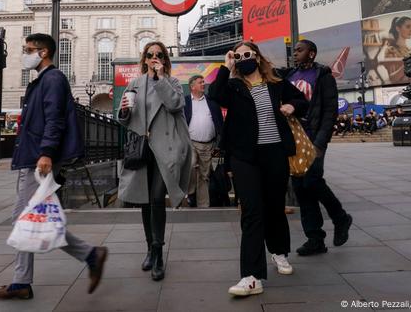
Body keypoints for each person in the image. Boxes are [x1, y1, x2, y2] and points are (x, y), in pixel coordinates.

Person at [0, 33, 107, 299]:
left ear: (43, 53)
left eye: (29, 49)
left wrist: (46, 153)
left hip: (38, 159)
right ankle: (88, 255)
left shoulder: (52, 79)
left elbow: (54, 119)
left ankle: (22, 282)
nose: (25, 54)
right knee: (33, 219)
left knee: (24, 219)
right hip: (32, 156)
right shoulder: (43, 81)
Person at [209, 41, 308, 297]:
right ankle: (251, 276)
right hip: (244, 157)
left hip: (274, 153)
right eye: (238, 55)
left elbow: (301, 99)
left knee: (274, 208)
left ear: (257, 56)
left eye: (247, 54)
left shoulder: (276, 83)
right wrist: (225, 65)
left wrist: (292, 106)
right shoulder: (233, 86)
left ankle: (278, 252)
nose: (243, 58)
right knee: (252, 211)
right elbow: (214, 95)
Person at [118, 41, 192, 281]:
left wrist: (160, 79)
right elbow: (125, 119)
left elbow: (175, 105)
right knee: (144, 200)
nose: (154, 58)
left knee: (158, 197)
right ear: (144, 59)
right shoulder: (135, 84)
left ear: (165, 60)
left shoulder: (171, 83)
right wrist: (123, 112)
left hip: (165, 148)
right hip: (141, 148)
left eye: (159, 55)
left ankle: (159, 253)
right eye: (150, 55)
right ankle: (150, 248)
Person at [284, 40, 352, 257]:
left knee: (312, 181)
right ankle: (315, 238)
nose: (295, 53)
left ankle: (340, 217)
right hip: (294, 139)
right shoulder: (289, 75)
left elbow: (330, 112)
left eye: (300, 50)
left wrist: (320, 143)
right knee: (301, 188)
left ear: (311, 53)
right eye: (294, 50)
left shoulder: (323, 76)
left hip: (313, 139)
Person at [184, 75, 223, 208]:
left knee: (204, 175)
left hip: (208, 145)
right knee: (191, 165)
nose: (203, 84)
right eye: (200, 82)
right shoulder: (185, 102)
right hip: (191, 143)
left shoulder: (211, 101)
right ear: (192, 86)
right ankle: (190, 192)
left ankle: (203, 206)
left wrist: (219, 141)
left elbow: (219, 122)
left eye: (203, 82)